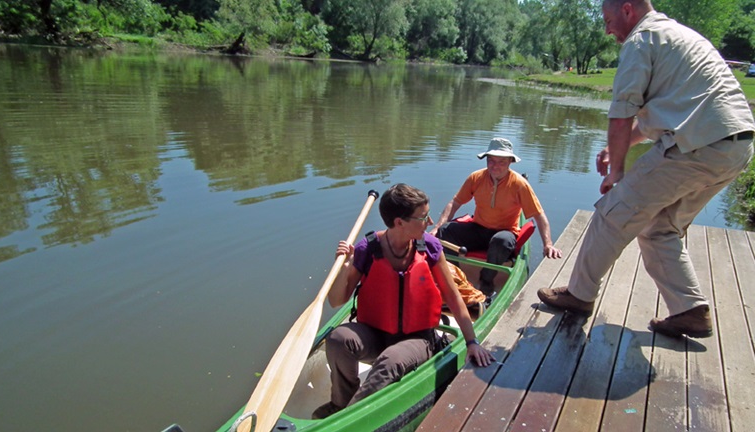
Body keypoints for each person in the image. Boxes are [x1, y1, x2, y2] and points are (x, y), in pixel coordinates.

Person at [537, 0, 755, 339]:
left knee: (613, 212)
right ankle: (690, 310)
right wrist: (616, 149)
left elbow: (622, 114)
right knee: (659, 226)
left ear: (627, 9)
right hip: (735, 146)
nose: (607, 30)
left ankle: (578, 296)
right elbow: (673, 109)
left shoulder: (640, 40)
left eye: (608, 20)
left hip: (697, 146)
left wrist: (617, 174)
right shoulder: (678, 34)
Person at [312, 184, 495, 419]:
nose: (430, 222)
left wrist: (472, 342)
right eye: (423, 217)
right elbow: (337, 301)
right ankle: (341, 403)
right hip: (375, 334)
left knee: (390, 361)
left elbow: (453, 297)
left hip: (418, 338)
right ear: (399, 222)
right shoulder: (367, 248)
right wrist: (345, 266)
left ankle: (347, 419)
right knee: (338, 339)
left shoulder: (429, 247)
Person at [430, 137, 562, 295]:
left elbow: (539, 216)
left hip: (505, 231)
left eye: (501, 162)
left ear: (510, 163)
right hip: (478, 228)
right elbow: (455, 203)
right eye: (491, 161)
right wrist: (436, 228)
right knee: (445, 231)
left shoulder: (520, 184)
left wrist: (548, 244)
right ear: (486, 160)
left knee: (501, 241)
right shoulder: (476, 178)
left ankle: (487, 283)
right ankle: (453, 277)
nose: (495, 166)